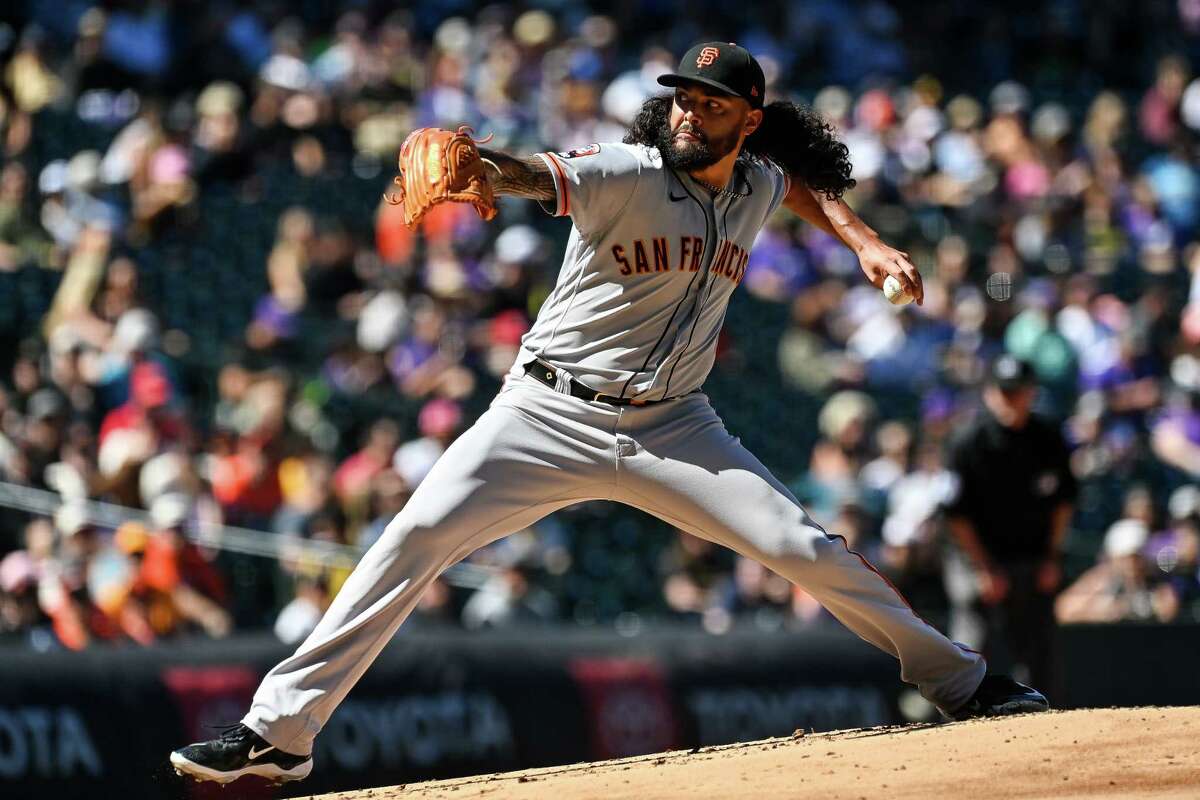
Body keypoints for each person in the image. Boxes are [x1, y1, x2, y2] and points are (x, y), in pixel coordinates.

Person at [171, 42, 1048, 785]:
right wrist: (481, 169)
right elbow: (538, 174)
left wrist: (865, 242)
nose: (686, 114)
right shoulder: (626, 172)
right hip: (546, 412)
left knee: (805, 548)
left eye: (709, 104)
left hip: (675, 425)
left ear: (748, 118)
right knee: (411, 539)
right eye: (681, 98)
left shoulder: (753, 182)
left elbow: (798, 190)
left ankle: (963, 684)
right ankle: (278, 735)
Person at [944, 355, 1077, 694]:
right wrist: (983, 569)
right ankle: (956, 715)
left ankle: (1045, 717)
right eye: (1003, 392)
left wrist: (1052, 557)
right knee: (971, 636)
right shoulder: (969, 442)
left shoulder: (1047, 438)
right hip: (974, 553)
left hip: (1029, 552)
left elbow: (1063, 503)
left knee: (1040, 640)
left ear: (1031, 393)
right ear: (990, 394)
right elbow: (957, 517)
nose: (1010, 400)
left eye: (1017, 392)